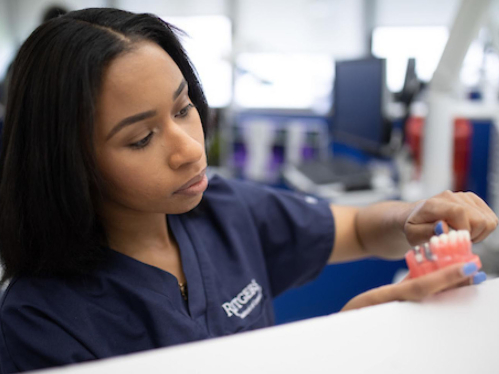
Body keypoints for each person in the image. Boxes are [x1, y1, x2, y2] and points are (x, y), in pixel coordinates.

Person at [0, 8, 496, 374]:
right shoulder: (40, 322)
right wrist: (333, 347)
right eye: (141, 138)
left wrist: (412, 217)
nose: (190, 150)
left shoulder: (227, 212)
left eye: (182, 108)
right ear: (67, 160)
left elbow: (362, 231)